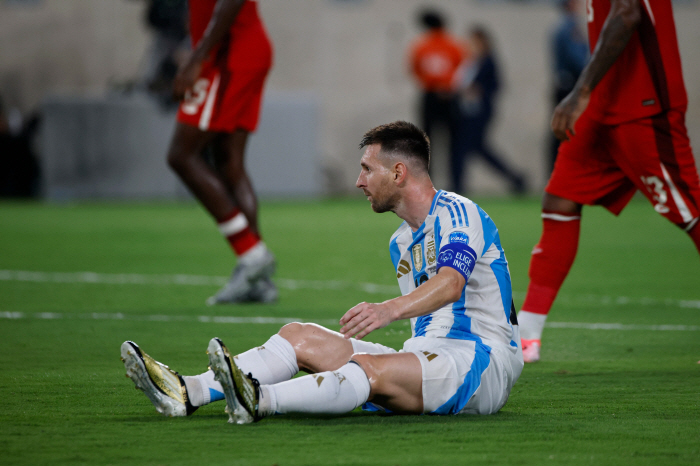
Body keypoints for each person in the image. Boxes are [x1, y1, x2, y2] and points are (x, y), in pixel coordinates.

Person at [121, 121, 523, 423]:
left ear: (398, 173)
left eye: (367, 169)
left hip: (481, 362)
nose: (358, 181)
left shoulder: (458, 212)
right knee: (299, 335)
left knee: (365, 369)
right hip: (427, 357)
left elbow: (452, 283)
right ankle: (187, 391)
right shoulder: (401, 242)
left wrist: (388, 310)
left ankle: (258, 401)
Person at [518, 0, 700, 363]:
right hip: (603, 104)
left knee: (691, 213)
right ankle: (526, 334)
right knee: (560, 200)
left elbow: (628, 12)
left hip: (643, 106)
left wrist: (581, 89)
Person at [167, 0, 277, 304]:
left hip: (227, 55)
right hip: (241, 49)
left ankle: (252, 255)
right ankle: (257, 281)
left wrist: (196, 58)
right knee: (229, 162)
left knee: (181, 155)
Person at [451, 26, 526, 195]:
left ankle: (458, 186)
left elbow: (496, 86)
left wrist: (479, 89)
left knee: (465, 148)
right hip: (467, 111)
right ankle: (515, 178)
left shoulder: (489, 61)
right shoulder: (471, 62)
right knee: (477, 148)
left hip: (479, 112)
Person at [408, 9, 465, 173]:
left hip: (430, 95)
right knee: (455, 142)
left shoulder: (421, 46)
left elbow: (415, 70)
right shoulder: (454, 45)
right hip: (450, 96)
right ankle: (456, 181)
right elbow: (463, 70)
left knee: (426, 141)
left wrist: (432, 83)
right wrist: (447, 86)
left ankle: (427, 178)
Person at [547, 0, 589, 173]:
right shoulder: (570, 29)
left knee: (558, 131)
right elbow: (578, 61)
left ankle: (555, 172)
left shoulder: (560, 28)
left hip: (562, 85)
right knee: (567, 131)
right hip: (570, 87)